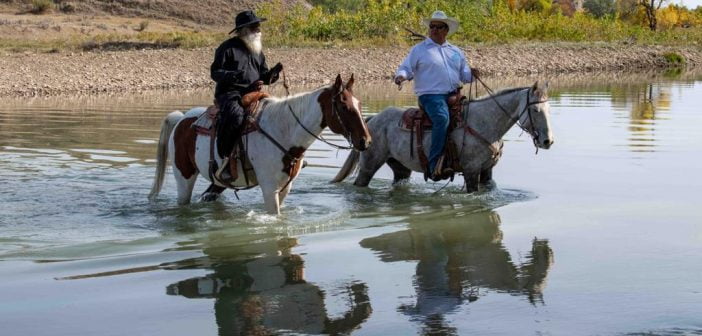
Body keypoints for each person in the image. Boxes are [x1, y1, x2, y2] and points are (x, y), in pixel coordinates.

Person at [394, 10, 480, 181]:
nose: (433, 29)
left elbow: (465, 76)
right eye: (432, 26)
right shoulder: (419, 50)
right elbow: (406, 68)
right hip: (430, 96)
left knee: (474, 116)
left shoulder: (455, 51)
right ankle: (434, 166)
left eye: (438, 27)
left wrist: (473, 74)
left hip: (455, 95)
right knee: (441, 119)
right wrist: (401, 76)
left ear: (446, 30)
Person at [210, 10, 283, 178]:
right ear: (243, 30)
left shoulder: (257, 51)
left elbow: (265, 78)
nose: (258, 30)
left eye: (258, 27)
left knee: (277, 113)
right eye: (254, 27)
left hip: (253, 93)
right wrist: (231, 75)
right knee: (235, 117)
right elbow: (215, 73)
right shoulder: (227, 48)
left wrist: (274, 72)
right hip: (230, 93)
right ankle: (225, 160)